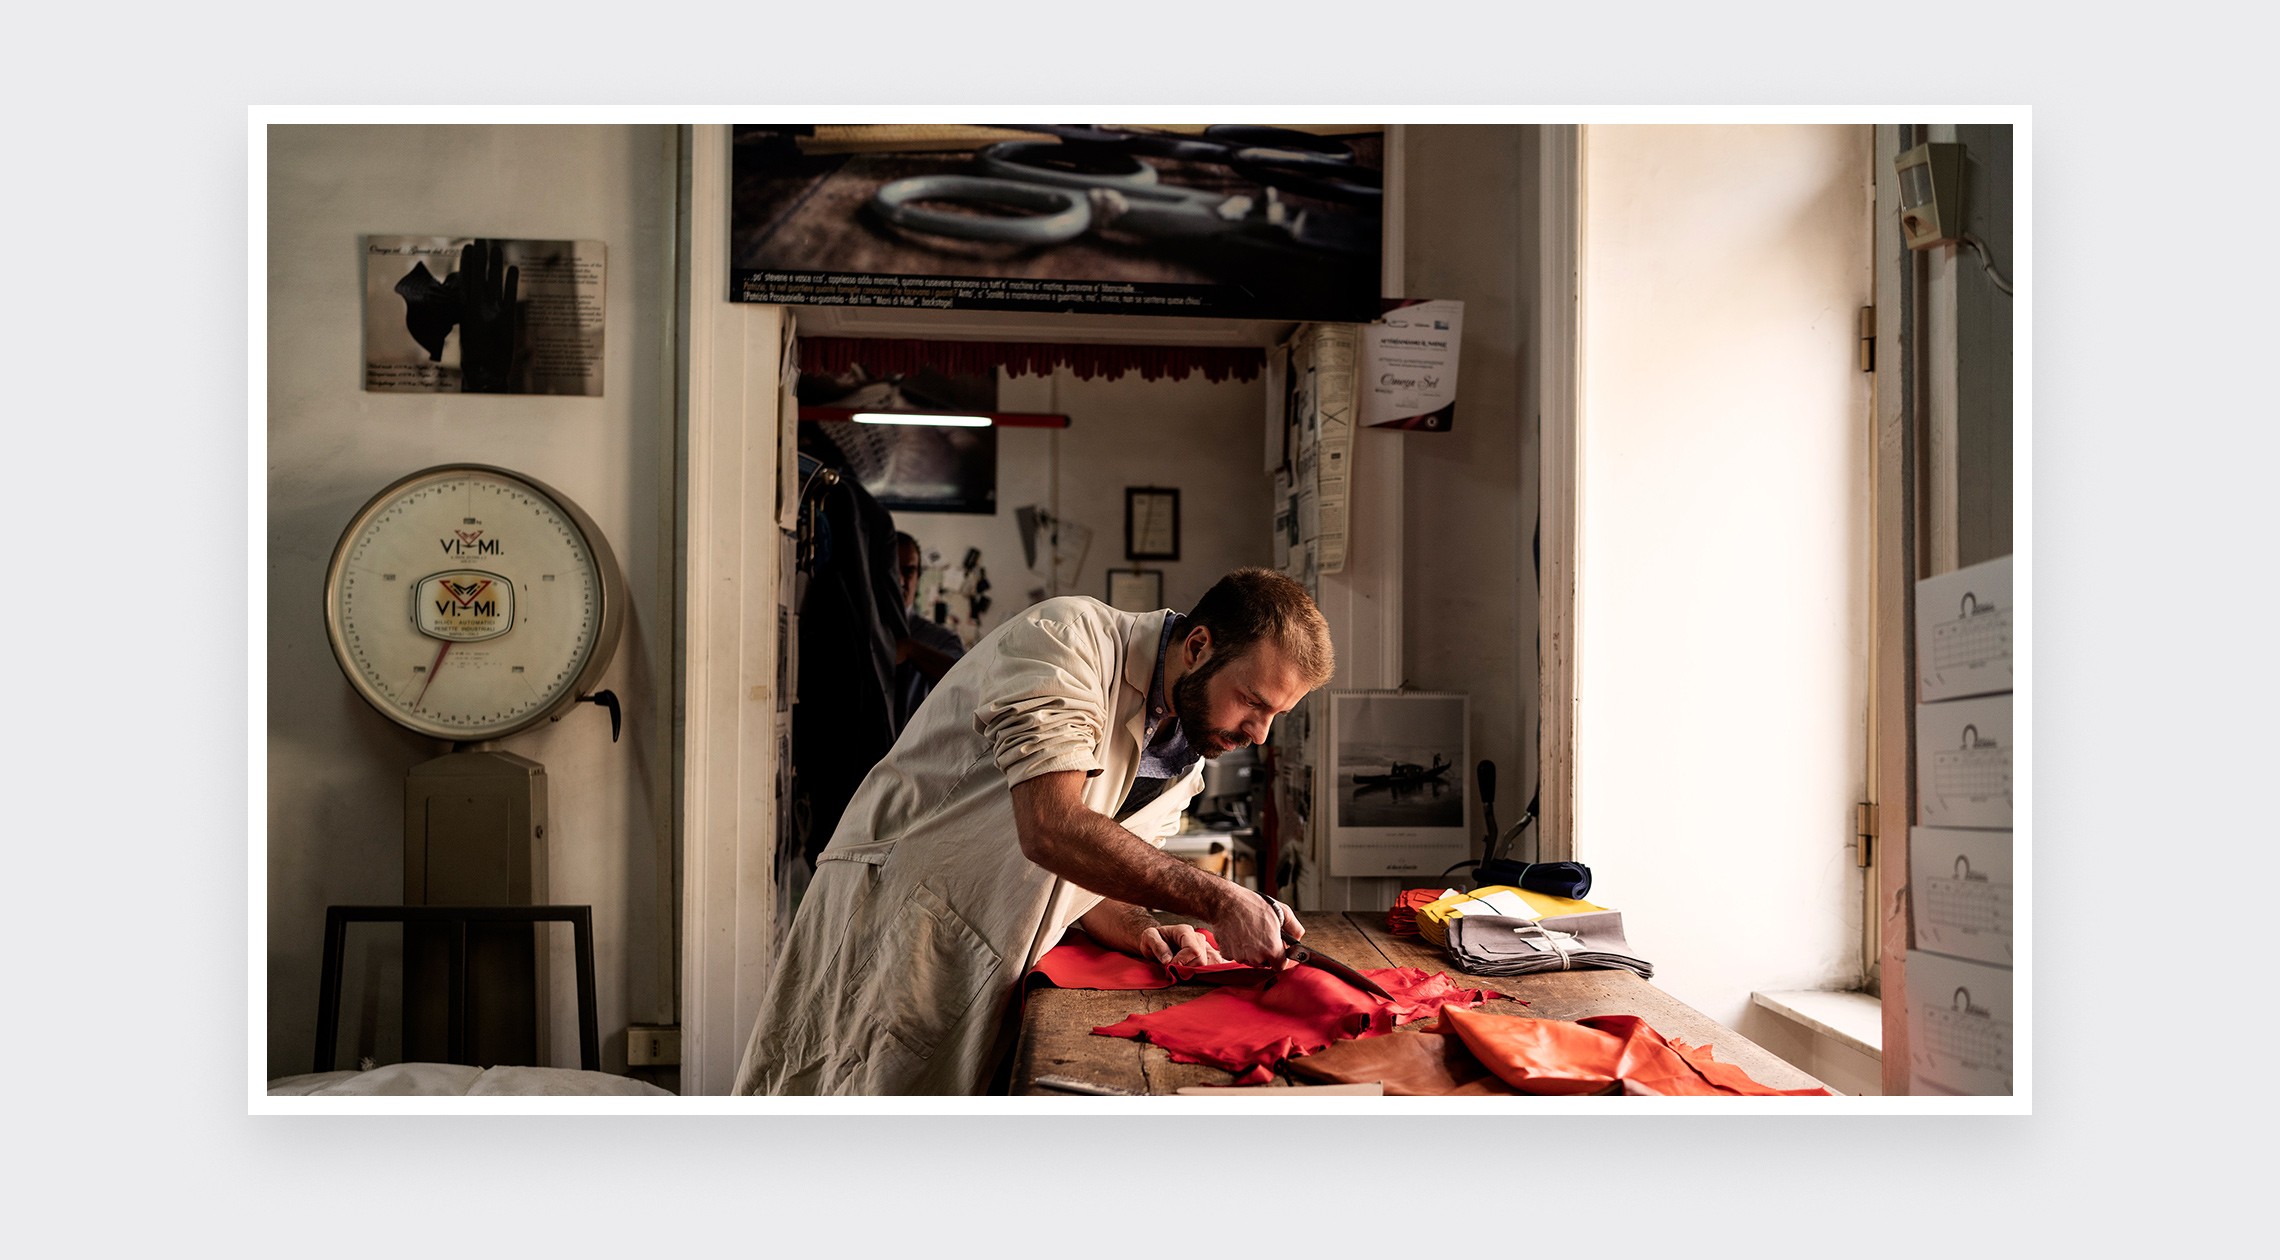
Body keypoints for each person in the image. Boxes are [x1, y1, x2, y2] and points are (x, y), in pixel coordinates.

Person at [734, 567, 1336, 1094]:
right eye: (1252, 702)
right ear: (1199, 646)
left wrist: (1146, 928)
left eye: (1275, 716)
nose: (1258, 733)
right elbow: (1051, 828)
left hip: (988, 956)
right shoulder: (1068, 641)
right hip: (892, 924)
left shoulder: (1185, 744)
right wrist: (1216, 897)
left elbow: (1086, 881)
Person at [891, 531, 966, 732]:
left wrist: (911, 650)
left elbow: (967, 684)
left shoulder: (941, 640)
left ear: (918, 577)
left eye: (908, 571)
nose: (900, 581)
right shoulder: (858, 633)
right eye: (892, 570)